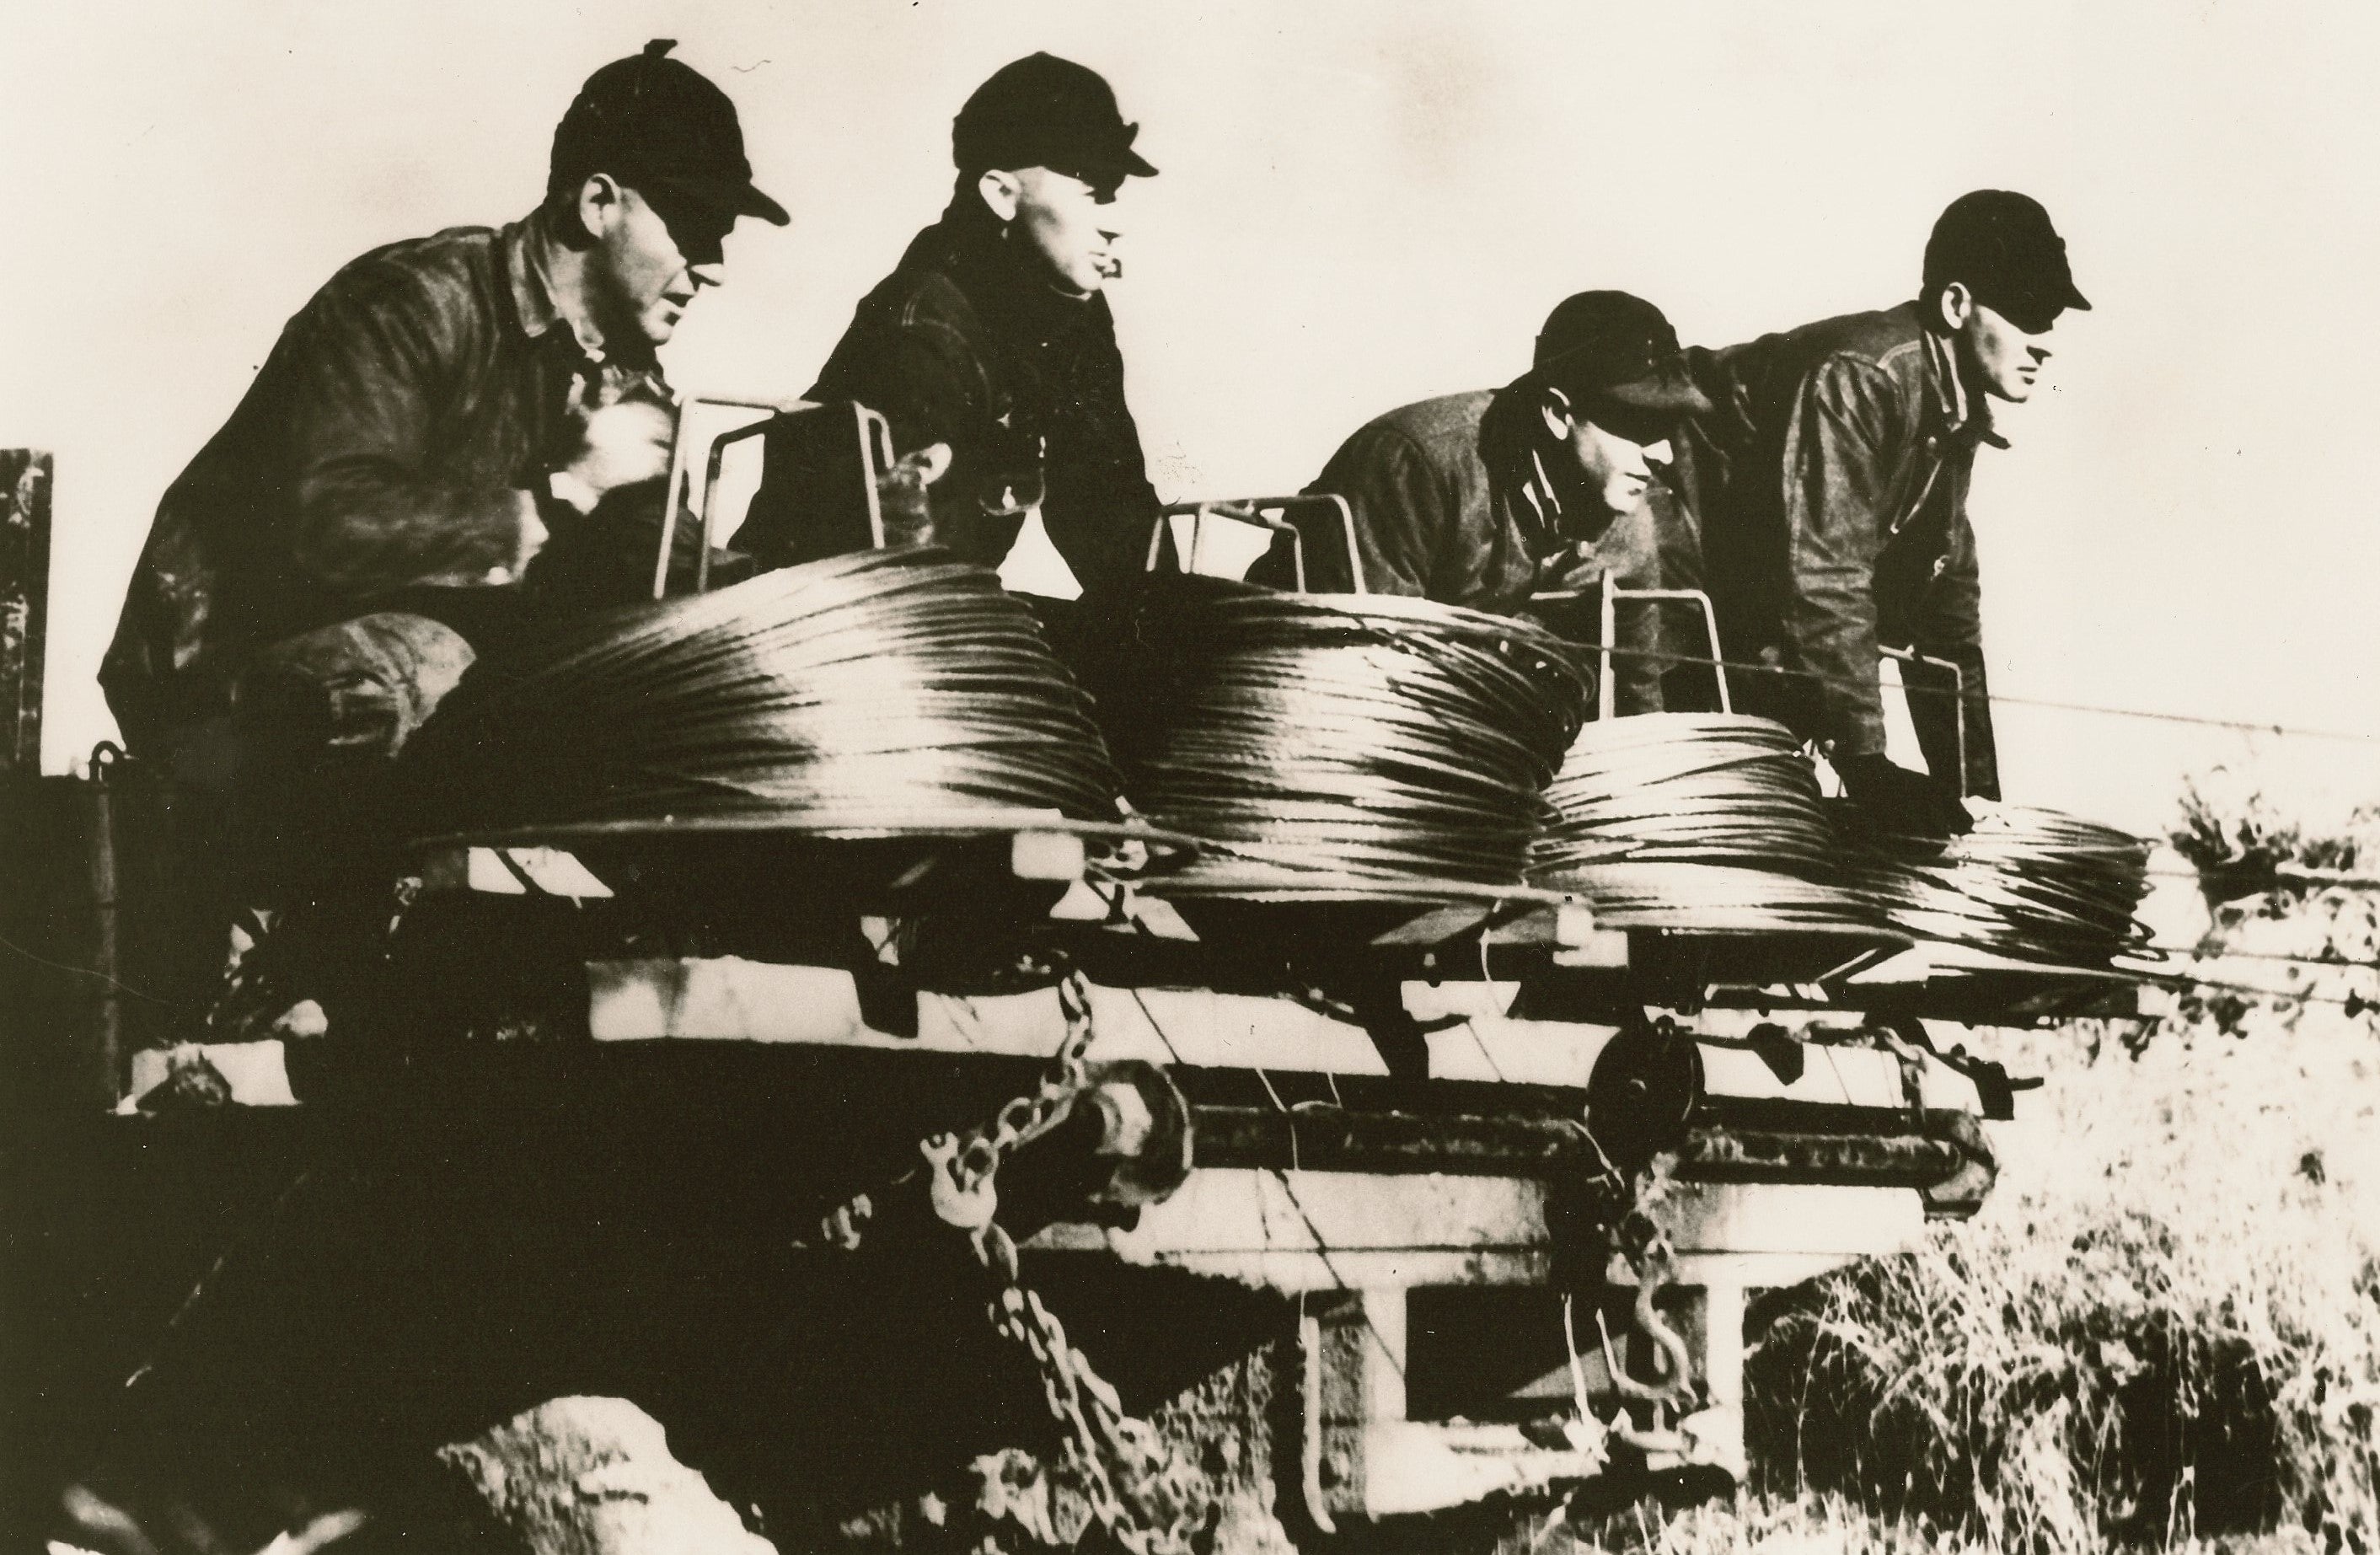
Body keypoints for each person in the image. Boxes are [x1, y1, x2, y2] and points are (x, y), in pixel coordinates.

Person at [95, 40, 786, 1021]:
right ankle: (281, 967)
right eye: (695, 227)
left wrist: (804, 588)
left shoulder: (623, 382)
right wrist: (559, 500)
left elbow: (662, 585)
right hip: (217, 698)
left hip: (385, 703)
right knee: (433, 661)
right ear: (598, 205)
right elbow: (330, 530)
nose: (708, 269)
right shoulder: (414, 303)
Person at [1677, 190, 2089, 833]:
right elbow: (1825, 571)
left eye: (2052, 321)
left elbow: (1947, 608)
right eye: (2027, 313)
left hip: (1743, 606)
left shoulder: (1951, 414)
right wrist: (1868, 762)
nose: (2044, 344)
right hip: (1662, 558)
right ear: (1956, 305)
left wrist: (1978, 805)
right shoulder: (1866, 376)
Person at [797, 53, 1162, 600]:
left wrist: (1171, 635)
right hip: (822, 627)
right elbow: (907, 577)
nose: (1115, 223)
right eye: (1094, 192)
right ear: (999, 194)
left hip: (935, 615)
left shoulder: (1071, 316)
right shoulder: (923, 328)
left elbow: (1115, 519)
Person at [1278, 291, 1712, 715]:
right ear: (1558, 415)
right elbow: (1357, 663)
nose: (1659, 457)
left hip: (1447, 710)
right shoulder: (1415, 462)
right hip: (1303, 698)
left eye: (1665, 430)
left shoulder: (1624, 509)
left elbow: (1637, 685)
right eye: (1635, 428)